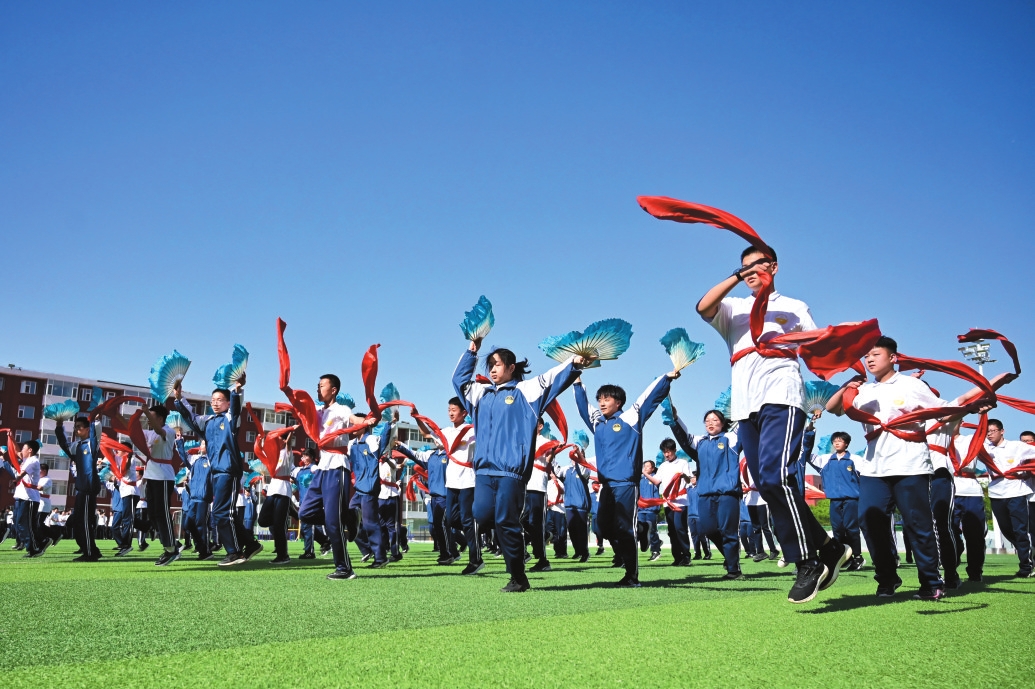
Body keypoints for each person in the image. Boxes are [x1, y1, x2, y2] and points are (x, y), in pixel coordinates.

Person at [698, 244, 851, 603]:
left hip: (782, 396)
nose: (751, 271)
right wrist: (737, 277)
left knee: (775, 477)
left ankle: (807, 562)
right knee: (768, 486)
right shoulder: (734, 308)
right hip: (745, 407)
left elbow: (816, 346)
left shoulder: (794, 306)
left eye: (758, 265)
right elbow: (703, 307)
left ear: (775, 267)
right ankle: (829, 547)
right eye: (744, 267)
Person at [826, 336, 986, 599]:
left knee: (917, 524)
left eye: (875, 354)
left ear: (892, 358)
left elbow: (942, 412)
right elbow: (833, 408)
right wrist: (847, 386)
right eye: (866, 356)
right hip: (874, 468)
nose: (869, 359)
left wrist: (972, 407)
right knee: (869, 521)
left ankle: (931, 582)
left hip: (910, 465)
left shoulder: (912, 385)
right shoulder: (865, 390)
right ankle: (887, 578)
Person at [453, 341, 589, 593]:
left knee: (505, 520)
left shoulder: (526, 391)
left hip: (511, 472)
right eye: (489, 365)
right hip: (483, 471)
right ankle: (518, 534)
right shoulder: (480, 394)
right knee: (481, 515)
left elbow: (553, 378)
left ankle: (518, 576)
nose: (492, 370)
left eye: (497, 365)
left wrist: (574, 363)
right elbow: (458, 381)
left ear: (511, 367)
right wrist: (472, 351)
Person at [573, 370, 675, 587]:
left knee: (625, 528)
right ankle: (642, 529)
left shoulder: (631, 417)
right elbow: (583, 408)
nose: (601, 403)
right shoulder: (598, 423)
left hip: (626, 484)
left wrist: (666, 378)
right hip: (606, 485)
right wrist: (576, 381)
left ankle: (631, 575)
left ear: (618, 402)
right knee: (601, 528)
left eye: (606, 399)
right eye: (599, 399)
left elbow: (648, 398)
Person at [173, 376, 261, 567]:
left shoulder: (231, 419)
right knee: (226, 513)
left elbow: (236, 409)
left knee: (221, 512)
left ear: (227, 403)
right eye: (212, 400)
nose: (215, 403)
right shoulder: (208, 421)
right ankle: (251, 544)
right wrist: (179, 398)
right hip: (217, 472)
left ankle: (234, 552)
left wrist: (238, 390)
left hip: (229, 470)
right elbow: (191, 417)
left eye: (220, 400)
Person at [669, 406, 744, 580]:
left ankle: (734, 570)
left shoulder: (731, 438)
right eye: (707, 421)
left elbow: (745, 424)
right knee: (708, 529)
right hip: (705, 494)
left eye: (715, 420)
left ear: (723, 423)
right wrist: (675, 418)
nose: (710, 423)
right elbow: (683, 436)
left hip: (727, 493)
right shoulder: (700, 441)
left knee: (728, 531)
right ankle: (730, 556)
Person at [414, 398, 482, 574]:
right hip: (451, 482)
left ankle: (476, 560)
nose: (451, 413)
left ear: (464, 413)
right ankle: (476, 528)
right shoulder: (447, 432)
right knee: (451, 519)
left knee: (467, 520)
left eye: (454, 410)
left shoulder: (472, 431)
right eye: (449, 410)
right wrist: (416, 417)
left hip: (467, 481)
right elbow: (427, 434)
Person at [802, 429, 862, 571]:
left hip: (851, 499)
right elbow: (806, 454)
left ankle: (858, 557)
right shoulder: (825, 459)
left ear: (846, 444)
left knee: (851, 528)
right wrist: (809, 433)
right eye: (834, 441)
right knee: (837, 529)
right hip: (834, 500)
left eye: (840, 441)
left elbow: (865, 477)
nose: (836, 443)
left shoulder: (855, 459)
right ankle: (844, 556)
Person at [981, 420, 1035, 577]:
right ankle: (1028, 552)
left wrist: (1025, 470)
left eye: (993, 431)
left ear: (1002, 431)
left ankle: (1026, 566)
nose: (990, 434)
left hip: (1016, 492)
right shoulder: (985, 448)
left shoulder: (1016, 446)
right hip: (996, 493)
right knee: (1006, 529)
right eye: (987, 432)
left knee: (1020, 529)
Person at [346, 409, 394, 570]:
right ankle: (367, 549)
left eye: (355, 424)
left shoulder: (371, 440)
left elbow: (384, 441)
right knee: (349, 516)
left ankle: (380, 557)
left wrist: (389, 423)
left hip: (369, 488)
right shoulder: (352, 444)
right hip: (358, 489)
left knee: (370, 523)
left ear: (365, 425)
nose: (352, 426)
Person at [139, 404, 182, 566]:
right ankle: (172, 543)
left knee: (162, 513)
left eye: (151, 416)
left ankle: (171, 549)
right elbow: (131, 430)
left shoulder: (168, 431)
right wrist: (115, 414)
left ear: (160, 418)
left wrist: (145, 412)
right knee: (153, 514)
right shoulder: (149, 433)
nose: (148, 419)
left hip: (163, 477)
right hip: (151, 476)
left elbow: (159, 431)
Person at [55, 416, 103, 561]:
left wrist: (96, 421)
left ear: (87, 429)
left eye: (79, 427)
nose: (76, 430)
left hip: (89, 486)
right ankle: (92, 550)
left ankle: (90, 553)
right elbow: (64, 444)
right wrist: (59, 427)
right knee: (78, 521)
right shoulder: (77, 445)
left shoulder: (92, 444)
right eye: (75, 427)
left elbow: (96, 434)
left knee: (85, 521)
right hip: (81, 487)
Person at [949, 432, 987, 582]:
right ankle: (951, 568)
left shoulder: (971, 439)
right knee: (949, 533)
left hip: (971, 492)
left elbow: (984, 432)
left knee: (975, 535)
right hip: (948, 490)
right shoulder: (938, 437)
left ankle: (975, 571)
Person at [521, 420, 557, 572]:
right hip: (523, 485)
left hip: (537, 486)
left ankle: (543, 560)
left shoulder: (545, 442)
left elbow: (548, 461)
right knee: (519, 520)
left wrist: (553, 451)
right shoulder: (523, 439)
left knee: (536, 523)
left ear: (540, 426)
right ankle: (526, 548)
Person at [653, 439, 693, 566]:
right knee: (671, 530)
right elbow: (656, 481)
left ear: (674, 450)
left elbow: (689, 480)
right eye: (664, 452)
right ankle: (677, 557)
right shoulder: (663, 466)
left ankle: (686, 556)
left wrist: (683, 476)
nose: (666, 454)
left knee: (680, 528)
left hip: (680, 501)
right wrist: (643, 472)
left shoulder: (682, 463)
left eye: (668, 451)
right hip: (668, 502)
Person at [260, 431, 296, 565]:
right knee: (262, 520)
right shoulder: (273, 454)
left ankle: (283, 555)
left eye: (279, 438)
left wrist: (291, 431)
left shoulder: (287, 453)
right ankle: (286, 514)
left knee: (279, 526)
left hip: (283, 491)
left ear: (284, 440)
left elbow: (289, 444)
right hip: (272, 489)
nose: (276, 440)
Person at [8, 440, 48, 557]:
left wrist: (14, 478)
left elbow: (21, 474)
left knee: (27, 524)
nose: (21, 451)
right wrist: (11, 439)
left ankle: (34, 548)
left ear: (30, 450)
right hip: (22, 496)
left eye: (24, 448)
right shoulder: (27, 460)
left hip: (29, 498)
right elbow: (16, 452)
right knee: (19, 523)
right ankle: (39, 542)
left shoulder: (33, 461)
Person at [560, 447, 592, 562]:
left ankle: (585, 553)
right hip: (569, 504)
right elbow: (555, 471)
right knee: (572, 529)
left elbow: (583, 469)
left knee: (581, 530)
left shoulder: (586, 468)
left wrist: (579, 454)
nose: (575, 456)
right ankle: (577, 551)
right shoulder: (566, 470)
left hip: (581, 504)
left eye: (578, 454)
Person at [636, 459, 663, 561]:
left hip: (651, 509)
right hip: (640, 509)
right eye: (644, 466)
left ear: (652, 468)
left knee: (652, 530)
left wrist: (644, 473)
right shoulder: (640, 478)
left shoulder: (655, 477)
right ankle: (657, 542)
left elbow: (656, 481)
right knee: (641, 530)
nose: (645, 468)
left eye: (648, 466)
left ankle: (655, 551)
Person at [686, 474, 711, 560]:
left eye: (694, 477)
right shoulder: (688, 489)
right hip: (690, 515)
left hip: (700, 515)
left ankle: (707, 553)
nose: (692, 479)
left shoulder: (701, 488)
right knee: (694, 536)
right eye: (691, 478)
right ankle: (697, 554)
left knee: (702, 535)